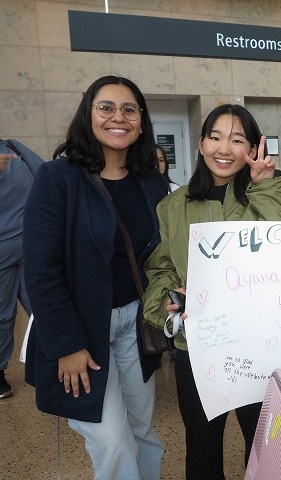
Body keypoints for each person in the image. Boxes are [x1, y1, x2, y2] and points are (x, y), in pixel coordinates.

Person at [142, 104, 281, 480]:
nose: (224, 148)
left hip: (263, 347)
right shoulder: (173, 206)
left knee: (265, 445)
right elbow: (160, 268)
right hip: (198, 347)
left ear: (252, 148)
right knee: (202, 447)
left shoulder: (270, 192)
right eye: (215, 137)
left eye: (237, 140)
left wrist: (266, 185)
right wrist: (168, 298)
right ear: (201, 144)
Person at [23, 75, 166, 479]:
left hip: (136, 324)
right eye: (106, 107)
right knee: (112, 441)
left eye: (129, 109)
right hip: (81, 328)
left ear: (141, 121)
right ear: (88, 114)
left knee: (142, 431)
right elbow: (41, 270)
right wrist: (67, 344)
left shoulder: (151, 182)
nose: (118, 117)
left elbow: (159, 255)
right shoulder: (58, 178)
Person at [0, 138, 43, 398]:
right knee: (2, 315)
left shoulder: (14, 148)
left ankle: (55, 361)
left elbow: (47, 176)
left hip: (33, 244)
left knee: (44, 307)